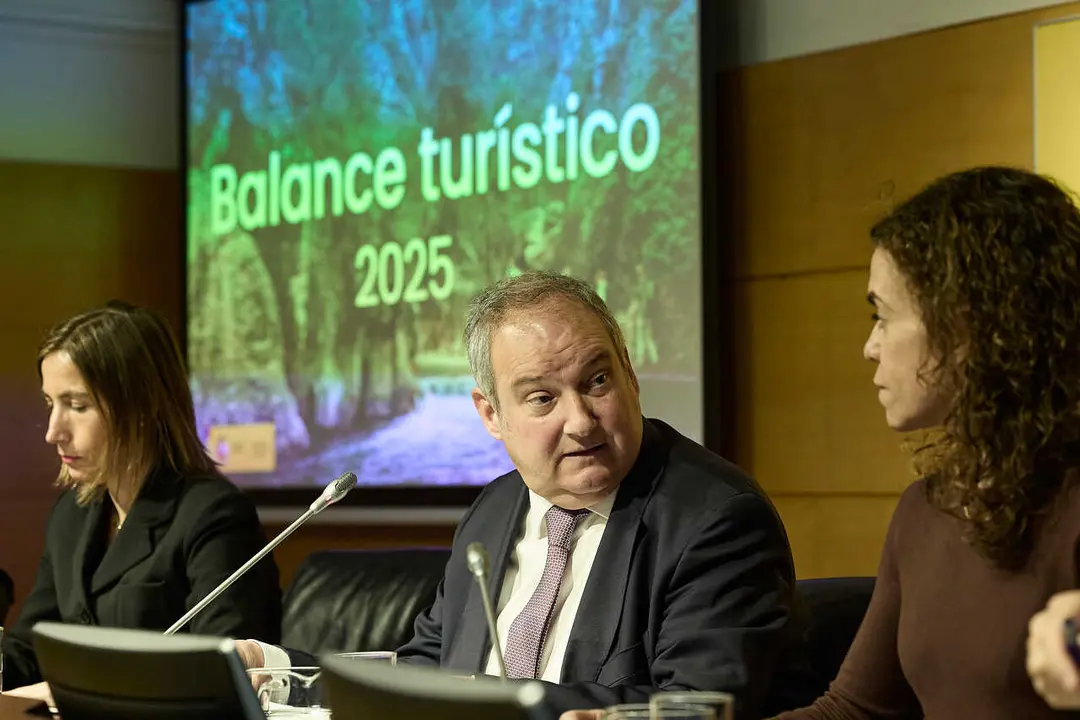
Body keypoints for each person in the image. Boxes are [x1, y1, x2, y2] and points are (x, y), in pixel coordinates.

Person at [240, 271, 813, 718]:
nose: (582, 421)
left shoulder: (715, 521)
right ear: (490, 414)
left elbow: (696, 706)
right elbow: (430, 671)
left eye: (597, 381)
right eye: (542, 398)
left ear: (630, 374)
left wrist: (487, 710)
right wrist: (284, 670)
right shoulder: (493, 512)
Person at [736, 165, 1080, 720]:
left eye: (883, 316)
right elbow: (855, 709)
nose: (870, 347)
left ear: (969, 327)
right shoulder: (924, 510)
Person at [0, 301, 282, 696]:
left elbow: (225, 670)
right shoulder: (72, 515)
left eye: (77, 406)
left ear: (142, 407)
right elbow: (30, 650)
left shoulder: (214, 516)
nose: (53, 431)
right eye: (51, 404)